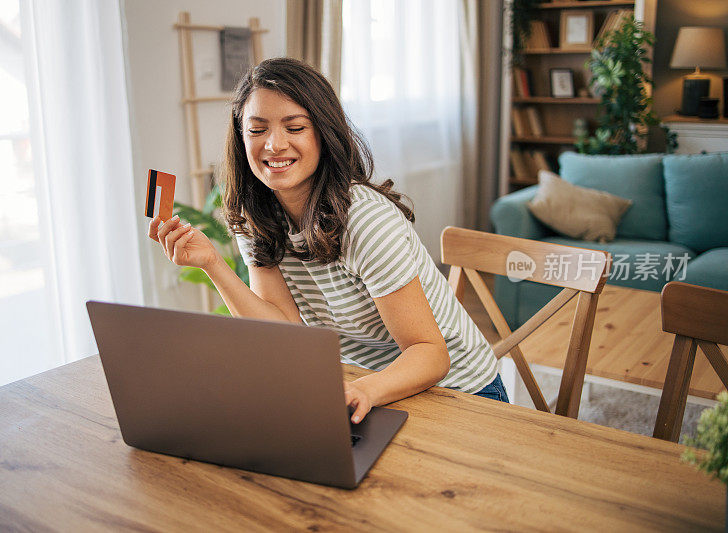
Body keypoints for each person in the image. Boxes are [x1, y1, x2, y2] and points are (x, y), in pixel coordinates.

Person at [149, 57, 507, 423]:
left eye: (295, 127)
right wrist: (212, 263)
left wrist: (365, 390)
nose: (273, 145)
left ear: (323, 132)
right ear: (241, 140)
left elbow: (430, 354)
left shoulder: (365, 221)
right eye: (257, 130)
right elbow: (282, 330)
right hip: (361, 388)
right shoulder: (257, 216)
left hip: (460, 392)